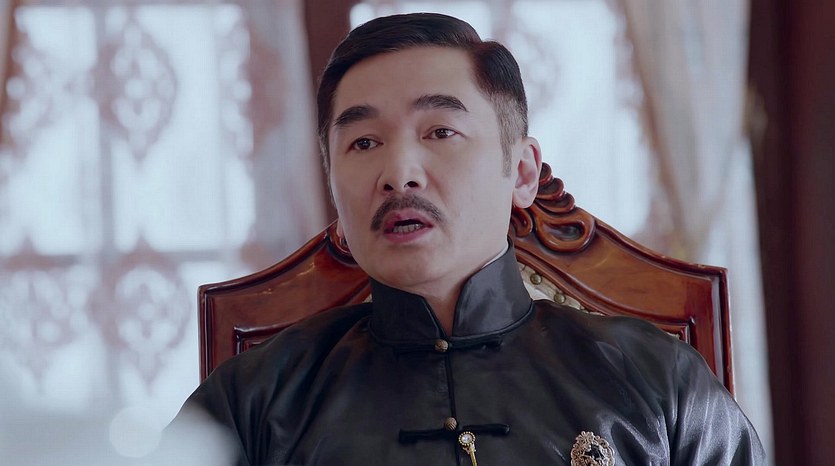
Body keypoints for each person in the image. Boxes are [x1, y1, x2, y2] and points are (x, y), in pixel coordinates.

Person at [166, 12, 764, 465]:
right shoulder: (249, 407)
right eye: (364, 142)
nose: (399, 173)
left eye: (440, 131)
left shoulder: (660, 384)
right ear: (335, 195)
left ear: (522, 172)